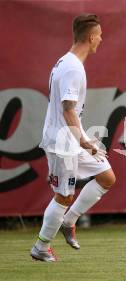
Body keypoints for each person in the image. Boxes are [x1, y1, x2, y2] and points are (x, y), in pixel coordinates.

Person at [30, 14, 116, 262]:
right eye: (99, 35)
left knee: (106, 177)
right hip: (62, 141)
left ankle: (70, 220)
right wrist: (85, 143)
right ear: (91, 37)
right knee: (64, 195)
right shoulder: (72, 68)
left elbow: (69, 110)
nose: (101, 39)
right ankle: (41, 246)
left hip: (71, 137)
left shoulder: (66, 62)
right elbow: (68, 109)